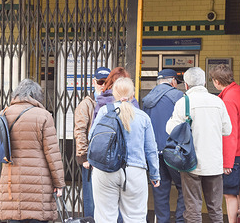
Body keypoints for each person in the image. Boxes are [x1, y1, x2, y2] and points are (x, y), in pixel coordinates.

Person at [89, 77, 160, 222]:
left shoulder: (104, 111)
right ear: (132, 94)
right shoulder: (143, 117)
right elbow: (151, 150)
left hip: (105, 170)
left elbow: (92, 136)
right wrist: (154, 174)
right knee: (136, 217)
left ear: (114, 93)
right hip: (135, 171)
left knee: (105, 217)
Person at [166, 67, 232, 223]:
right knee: (216, 209)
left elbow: (171, 129)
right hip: (214, 163)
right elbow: (227, 130)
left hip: (191, 163)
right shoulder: (218, 102)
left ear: (186, 85)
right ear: (203, 82)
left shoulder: (183, 103)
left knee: (193, 208)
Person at [0, 79, 66, 223]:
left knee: (14, 218)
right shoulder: (44, 115)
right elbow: (52, 153)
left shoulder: (4, 114)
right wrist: (59, 183)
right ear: (37, 96)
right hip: (38, 183)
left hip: (11, 181)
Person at [142, 69, 185, 223]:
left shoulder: (146, 99)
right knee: (184, 188)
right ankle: (180, 220)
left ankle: (162, 221)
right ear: (173, 80)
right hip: (174, 152)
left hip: (154, 152)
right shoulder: (179, 97)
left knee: (160, 190)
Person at [209, 64, 240, 223]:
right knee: (238, 192)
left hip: (235, 154)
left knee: (229, 194)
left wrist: (227, 162)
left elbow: (229, 132)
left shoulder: (229, 98)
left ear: (217, 81)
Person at [74, 66, 110, 218]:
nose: (104, 86)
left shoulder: (112, 102)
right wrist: (83, 156)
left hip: (109, 159)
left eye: (107, 83)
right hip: (91, 159)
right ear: (94, 82)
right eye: (101, 82)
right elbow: (80, 130)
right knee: (91, 200)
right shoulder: (86, 104)